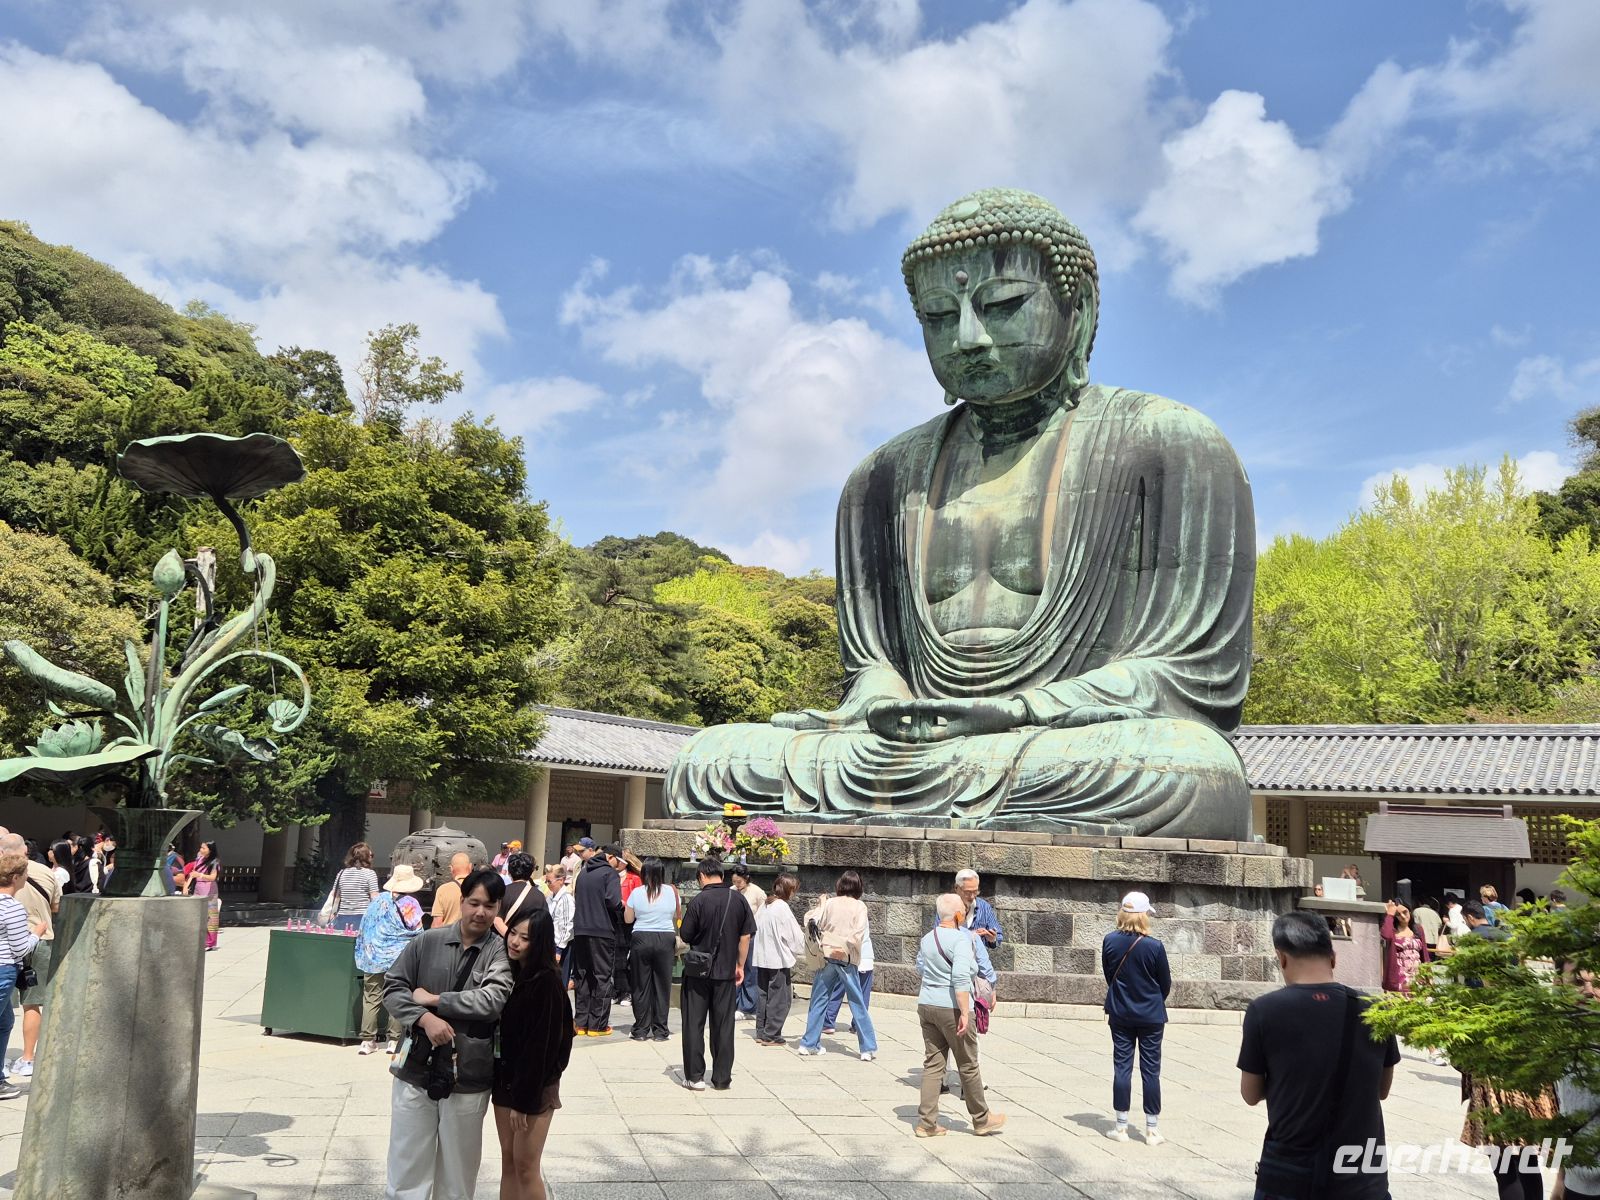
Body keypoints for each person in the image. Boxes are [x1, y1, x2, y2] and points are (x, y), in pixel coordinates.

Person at [665, 188, 1256, 842]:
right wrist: (877, 700)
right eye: (939, 316)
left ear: (1079, 309)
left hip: (1067, 741)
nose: (968, 338)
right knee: (708, 761)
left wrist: (1015, 711)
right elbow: (874, 665)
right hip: (911, 749)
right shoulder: (881, 478)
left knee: (1183, 772)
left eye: (1002, 306)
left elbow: (1192, 677)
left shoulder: (1170, 444)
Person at [1239, 911, 1400, 1200]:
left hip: (1291, 1169)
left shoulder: (1265, 1010)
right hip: (1363, 1171)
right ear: (1333, 957)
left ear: (1282, 958)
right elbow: (1382, 1089)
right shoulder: (1375, 1008)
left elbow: (1251, 1094)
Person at [383, 868, 512, 1200]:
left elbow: (492, 1000)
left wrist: (438, 1000)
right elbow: (394, 987)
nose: (481, 912)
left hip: (469, 1071)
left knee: (458, 1170)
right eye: (474, 903)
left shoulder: (499, 951)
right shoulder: (428, 941)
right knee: (406, 1161)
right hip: (417, 1066)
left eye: (490, 906)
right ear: (462, 900)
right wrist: (425, 1019)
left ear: (498, 908)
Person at [1457, 900, 1553, 1200]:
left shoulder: (1467, 949)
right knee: (1527, 1159)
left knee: (1503, 1161)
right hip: (1526, 1071)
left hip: (1490, 1070)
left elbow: (1461, 1009)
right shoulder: (1513, 951)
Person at [492, 906, 575, 1200]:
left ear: (538, 942)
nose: (514, 941)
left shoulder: (547, 983)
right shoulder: (512, 973)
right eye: (512, 933)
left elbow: (544, 1047)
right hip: (505, 1080)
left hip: (534, 1089)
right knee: (509, 1162)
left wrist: (523, 1101)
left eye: (524, 938)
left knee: (526, 1166)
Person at [915, 892, 1006, 1137]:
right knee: (968, 1064)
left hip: (927, 1004)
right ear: (957, 915)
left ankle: (927, 1122)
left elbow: (921, 967)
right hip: (952, 1007)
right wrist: (965, 1012)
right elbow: (960, 978)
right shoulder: (960, 940)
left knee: (933, 1064)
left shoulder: (927, 938)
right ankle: (981, 1118)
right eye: (963, 913)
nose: (965, 916)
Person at [675, 857, 755, 1091]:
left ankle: (695, 1076)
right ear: (722, 875)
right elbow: (746, 937)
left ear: (701, 876)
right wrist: (740, 965)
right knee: (723, 1025)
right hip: (726, 972)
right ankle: (721, 1078)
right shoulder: (739, 900)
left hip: (698, 972)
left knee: (693, 1024)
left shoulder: (699, 901)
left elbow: (687, 935)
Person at [1101, 891, 1170, 1145]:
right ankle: (1152, 1129)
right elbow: (1165, 983)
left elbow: (1110, 976)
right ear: (1143, 916)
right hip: (1151, 1014)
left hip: (1120, 1012)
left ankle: (1121, 1127)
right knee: (1151, 1071)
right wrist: (1152, 999)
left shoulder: (1109, 941)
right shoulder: (1154, 946)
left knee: (1122, 1067)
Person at [796, 871, 878, 1061]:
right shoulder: (860, 906)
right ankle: (867, 1047)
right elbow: (859, 933)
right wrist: (849, 946)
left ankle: (808, 1043)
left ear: (840, 884)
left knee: (819, 999)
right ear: (858, 886)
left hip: (827, 954)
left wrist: (822, 904)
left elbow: (814, 922)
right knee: (857, 1002)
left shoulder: (831, 903)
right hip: (846, 957)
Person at [353, 864, 426, 1056]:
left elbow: (366, 925)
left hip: (373, 956)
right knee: (397, 995)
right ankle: (394, 1040)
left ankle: (367, 1041)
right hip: (399, 958)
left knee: (371, 997)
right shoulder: (410, 903)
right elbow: (417, 929)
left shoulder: (377, 901)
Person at [0, 834, 54, 1083]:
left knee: (6, 1017)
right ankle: (28, 1057)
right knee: (32, 1003)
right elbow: (56, 906)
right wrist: (37, 932)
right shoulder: (43, 872)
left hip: (8, 957)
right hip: (30, 947)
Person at [1555, 968, 1600, 1200]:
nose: (1589, 992)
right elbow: (1564, 1118)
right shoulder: (1566, 1046)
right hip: (1578, 1181)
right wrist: (1560, 1178)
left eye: (1597, 982)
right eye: (1578, 982)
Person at [570, 843, 624, 1036]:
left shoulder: (583, 873)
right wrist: (621, 909)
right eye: (618, 861)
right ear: (610, 857)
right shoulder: (609, 874)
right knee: (602, 976)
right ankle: (598, 1025)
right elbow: (613, 901)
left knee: (582, 975)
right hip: (602, 930)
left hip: (581, 929)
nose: (619, 866)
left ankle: (581, 1022)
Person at [623, 857, 679, 1043]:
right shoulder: (672, 891)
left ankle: (640, 1029)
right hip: (665, 938)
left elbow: (628, 920)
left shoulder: (637, 892)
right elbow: (677, 915)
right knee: (662, 985)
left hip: (641, 938)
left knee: (641, 985)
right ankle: (660, 1031)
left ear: (644, 873)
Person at [0, 851, 41, 1102]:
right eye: (25, 873)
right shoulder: (13, 907)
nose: (27, 878)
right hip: (4, 969)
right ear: (16, 877)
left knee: (5, 1023)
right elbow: (21, 948)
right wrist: (37, 932)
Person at [752, 872, 805, 1046]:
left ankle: (761, 1030)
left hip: (762, 957)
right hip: (777, 959)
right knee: (780, 998)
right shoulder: (782, 907)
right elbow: (794, 936)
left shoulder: (766, 905)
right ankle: (772, 1034)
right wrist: (802, 949)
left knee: (763, 995)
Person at [822, 921, 874, 1036]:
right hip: (865, 956)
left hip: (848, 958)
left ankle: (828, 1022)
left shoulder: (846, 910)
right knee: (863, 994)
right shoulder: (861, 909)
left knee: (838, 989)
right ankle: (858, 1025)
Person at [731, 864, 766, 1020]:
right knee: (736, 969)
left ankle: (748, 1005)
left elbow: (763, 913)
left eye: (739, 882)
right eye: (735, 881)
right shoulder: (731, 891)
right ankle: (734, 1003)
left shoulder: (757, 892)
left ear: (746, 879)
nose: (737, 885)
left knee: (750, 970)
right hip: (734, 935)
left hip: (751, 935)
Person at [1380, 899, 1431, 994]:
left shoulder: (1418, 929)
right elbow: (1385, 935)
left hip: (1418, 976)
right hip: (1399, 977)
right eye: (1398, 914)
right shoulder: (1393, 931)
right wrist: (1390, 914)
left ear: (1410, 911)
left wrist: (1429, 975)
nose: (1403, 916)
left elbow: (1425, 954)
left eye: (1405, 912)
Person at [329, 843, 381, 932]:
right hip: (362, 917)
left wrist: (331, 913)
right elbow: (374, 897)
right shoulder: (370, 873)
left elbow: (335, 895)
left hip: (342, 917)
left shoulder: (342, 873)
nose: (372, 858)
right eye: (371, 855)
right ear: (366, 857)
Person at [614, 851, 643, 1007]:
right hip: (614, 918)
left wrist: (627, 904)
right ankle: (617, 990)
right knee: (615, 957)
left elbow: (637, 900)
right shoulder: (611, 877)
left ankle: (627, 992)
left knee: (626, 957)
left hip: (629, 919)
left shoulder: (635, 879)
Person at [494, 853, 547, 939]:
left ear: (509, 871)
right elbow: (543, 925)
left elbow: (497, 921)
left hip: (502, 945)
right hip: (528, 946)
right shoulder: (539, 896)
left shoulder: (502, 892)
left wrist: (512, 939)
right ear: (530, 872)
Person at [184, 842, 222, 950]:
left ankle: (210, 942)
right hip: (199, 888)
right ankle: (199, 939)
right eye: (200, 847)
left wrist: (200, 875)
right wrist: (186, 886)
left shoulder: (215, 862)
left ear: (210, 850)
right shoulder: (199, 859)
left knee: (210, 916)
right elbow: (192, 873)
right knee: (198, 913)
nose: (201, 849)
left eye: (203, 848)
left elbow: (212, 877)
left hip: (209, 889)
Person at [954, 869, 1004, 947]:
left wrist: (992, 939)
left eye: (975, 891)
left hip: (977, 958)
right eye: (967, 892)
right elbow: (940, 936)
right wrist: (970, 936)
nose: (972, 896)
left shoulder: (984, 907)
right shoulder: (947, 906)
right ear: (956, 888)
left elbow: (998, 937)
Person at [544, 866, 574, 988]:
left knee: (559, 983)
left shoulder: (566, 899)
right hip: (551, 943)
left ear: (561, 880)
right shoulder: (550, 897)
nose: (547, 884)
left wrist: (559, 950)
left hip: (562, 946)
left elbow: (567, 925)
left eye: (549, 881)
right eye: (546, 881)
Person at [432, 852, 474, 928]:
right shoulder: (478, 888)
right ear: (470, 867)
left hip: (448, 937)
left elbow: (436, 925)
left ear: (451, 869)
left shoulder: (443, 890)